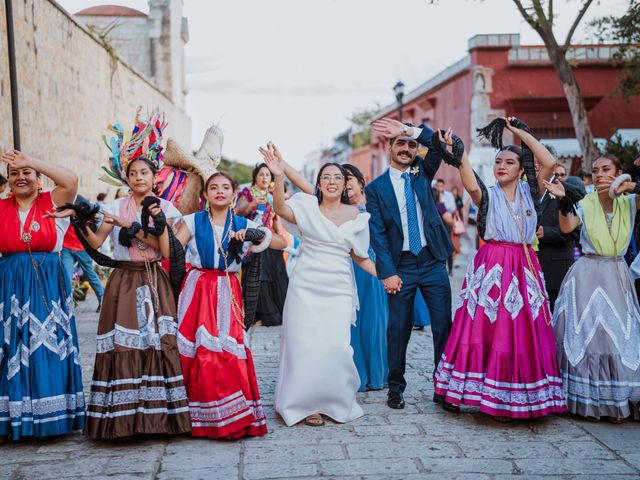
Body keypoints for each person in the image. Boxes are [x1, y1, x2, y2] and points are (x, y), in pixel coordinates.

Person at [61, 111, 191, 439]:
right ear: (126, 177)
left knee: (156, 343)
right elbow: (96, 241)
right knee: (122, 345)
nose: (138, 178)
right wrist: (78, 218)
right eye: (132, 173)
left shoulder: (165, 208)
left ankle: (158, 419)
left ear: (153, 176)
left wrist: (132, 228)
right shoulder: (117, 207)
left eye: (144, 172)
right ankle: (121, 421)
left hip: (152, 279)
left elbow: (164, 249)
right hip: (124, 280)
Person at [433, 118, 566, 420]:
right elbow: (469, 183)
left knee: (521, 330)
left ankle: (517, 395)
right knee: (482, 326)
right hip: (492, 265)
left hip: (523, 265)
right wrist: (461, 153)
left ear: (521, 169)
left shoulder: (532, 193)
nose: (501, 166)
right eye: (497, 162)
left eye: (509, 162)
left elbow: (547, 161)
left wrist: (520, 133)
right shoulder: (488, 194)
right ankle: (469, 391)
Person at [261, 142, 376, 427]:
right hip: (305, 286)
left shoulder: (357, 217)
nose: (333, 181)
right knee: (304, 345)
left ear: (346, 183)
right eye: (326, 177)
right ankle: (304, 405)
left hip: (337, 289)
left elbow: (360, 256)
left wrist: (386, 277)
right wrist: (279, 175)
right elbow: (280, 208)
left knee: (335, 346)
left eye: (338, 177)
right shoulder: (307, 206)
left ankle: (332, 401)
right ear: (319, 184)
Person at [164, 172, 283, 438]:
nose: (220, 191)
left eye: (226, 187)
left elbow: (281, 242)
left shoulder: (243, 222)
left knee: (226, 348)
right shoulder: (192, 221)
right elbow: (171, 250)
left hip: (228, 288)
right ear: (205, 195)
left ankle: (229, 416)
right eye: (213, 187)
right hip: (198, 287)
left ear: (233, 193)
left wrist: (256, 233)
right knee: (198, 349)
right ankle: (194, 417)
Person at [546, 154, 640, 423]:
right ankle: (586, 400)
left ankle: (616, 402)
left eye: (606, 169)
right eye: (595, 170)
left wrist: (629, 185)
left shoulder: (631, 202)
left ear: (619, 172)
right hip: (587, 274)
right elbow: (566, 226)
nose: (599, 174)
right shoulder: (585, 202)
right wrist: (564, 201)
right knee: (587, 340)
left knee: (620, 340)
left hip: (617, 273)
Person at [367, 119, 454, 410]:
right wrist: (388, 272)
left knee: (443, 326)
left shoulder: (421, 171)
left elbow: (439, 144)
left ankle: (443, 386)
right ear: (389, 148)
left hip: (432, 261)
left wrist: (410, 131)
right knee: (398, 328)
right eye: (400, 144)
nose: (406, 148)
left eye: (410, 145)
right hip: (401, 265)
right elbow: (377, 233)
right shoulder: (376, 188)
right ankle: (396, 387)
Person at [0, 150, 85, 440]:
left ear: (39, 180)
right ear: (8, 182)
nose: (20, 178)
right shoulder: (0, 208)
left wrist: (31, 161)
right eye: (14, 174)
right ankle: (14, 417)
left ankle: (49, 418)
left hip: (46, 282)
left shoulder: (52, 202)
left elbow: (71, 180)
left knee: (45, 343)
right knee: (12, 346)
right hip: (10, 281)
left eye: (27, 174)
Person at [236, 163, 288, 326]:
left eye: (267, 175)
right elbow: (238, 212)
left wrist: (282, 239)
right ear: (255, 177)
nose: (265, 178)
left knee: (277, 272)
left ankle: (279, 312)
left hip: (270, 238)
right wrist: (252, 204)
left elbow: (275, 219)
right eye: (261, 174)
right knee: (260, 275)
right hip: (253, 240)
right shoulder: (248, 192)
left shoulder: (272, 196)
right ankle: (260, 315)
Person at [537, 163, 582, 310]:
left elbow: (575, 231)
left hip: (557, 267)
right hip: (532, 265)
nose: (558, 178)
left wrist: (547, 232)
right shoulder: (530, 192)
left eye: (562, 175)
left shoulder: (568, 193)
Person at [61, 195, 105, 312]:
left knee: (90, 274)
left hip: (82, 247)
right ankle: (67, 304)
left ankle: (103, 300)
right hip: (66, 247)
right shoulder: (62, 202)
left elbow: (96, 216)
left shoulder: (82, 202)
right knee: (66, 275)